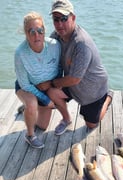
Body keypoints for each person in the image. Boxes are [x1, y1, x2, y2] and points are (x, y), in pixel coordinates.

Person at [37, 0, 113, 134]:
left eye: (64, 19)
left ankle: (108, 98)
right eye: (56, 19)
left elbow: (74, 79)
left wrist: (51, 82)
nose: (59, 24)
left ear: (73, 18)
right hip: (72, 84)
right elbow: (47, 58)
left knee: (91, 125)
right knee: (51, 92)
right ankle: (66, 119)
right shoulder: (56, 36)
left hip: (92, 89)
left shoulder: (81, 44)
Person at [15, 11, 71, 148]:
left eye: (40, 30)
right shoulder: (20, 53)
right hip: (27, 87)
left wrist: (54, 88)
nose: (36, 35)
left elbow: (59, 68)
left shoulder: (54, 46)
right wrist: (46, 100)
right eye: (31, 31)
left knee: (42, 125)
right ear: (26, 33)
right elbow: (24, 84)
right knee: (32, 104)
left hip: (47, 86)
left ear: (44, 30)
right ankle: (29, 135)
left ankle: (28, 110)